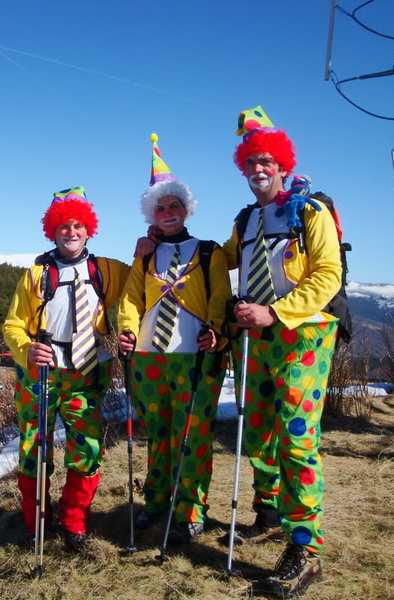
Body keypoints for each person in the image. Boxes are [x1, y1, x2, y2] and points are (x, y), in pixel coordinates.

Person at [222, 106, 342, 597]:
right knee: (259, 433)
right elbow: (220, 264)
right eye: (251, 162)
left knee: (295, 439)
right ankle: (268, 512)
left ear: (283, 164)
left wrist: (275, 312)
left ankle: (306, 550)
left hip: (302, 335)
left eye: (266, 161)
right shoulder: (246, 219)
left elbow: (328, 275)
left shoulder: (308, 212)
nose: (258, 169)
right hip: (254, 340)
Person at [117, 134, 231, 545]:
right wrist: (127, 331)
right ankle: (157, 500)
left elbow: (221, 296)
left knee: (193, 435)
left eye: (174, 206)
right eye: (160, 207)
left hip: (194, 357)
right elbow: (131, 297)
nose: (167, 213)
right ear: (152, 212)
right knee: (158, 433)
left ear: (187, 210)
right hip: (150, 357)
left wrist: (216, 330)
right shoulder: (144, 255)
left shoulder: (208, 252)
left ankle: (191, 509)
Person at [2, 186, 129, 550]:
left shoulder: (107, 270)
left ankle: (74, 521)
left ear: (89, 229)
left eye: (77, 225)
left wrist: (150, 245)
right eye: (63, 226)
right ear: (52, 230)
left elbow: (142, 285)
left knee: (87, 447)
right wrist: (26, 349)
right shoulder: (35, 274)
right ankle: (36, 523)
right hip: (40, 374)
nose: (70, 232)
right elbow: (13, 323)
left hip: (89, 373)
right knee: (34, 448)